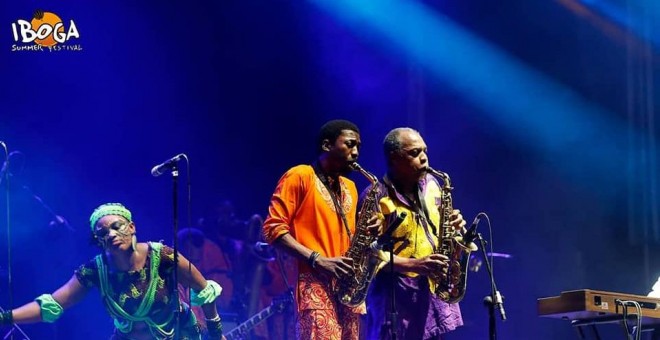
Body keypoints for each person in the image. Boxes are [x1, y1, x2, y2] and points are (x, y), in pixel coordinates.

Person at [0, 203, 225, 340]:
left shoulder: (162, 256)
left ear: (132, 227)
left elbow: (204, 291)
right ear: (98, 240)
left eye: (116, 226)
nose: (111, 234)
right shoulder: (95, 271)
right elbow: (53, 305)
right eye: (103, 232)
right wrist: (6, 317)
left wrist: (216, 335)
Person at [262, 119, 378, 340]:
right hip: (314, 283)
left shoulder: (351, 188)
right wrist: (318, 259)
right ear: (327, 145)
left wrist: (371, 229)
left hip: (348, 289)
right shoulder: (300, 175)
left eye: (358, 147)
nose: (355, 152)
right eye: (350, 144)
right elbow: (272, 229)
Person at [363, 127, 466, 339]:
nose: (424, 159)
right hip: (396, 298)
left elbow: (441, 232)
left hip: (433, 293)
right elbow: (368, 256)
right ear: (394, 159)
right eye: (414, 153)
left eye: (425, 151)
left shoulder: (433, 185)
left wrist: (456, 230)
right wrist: (415, 265)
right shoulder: (375, 196)